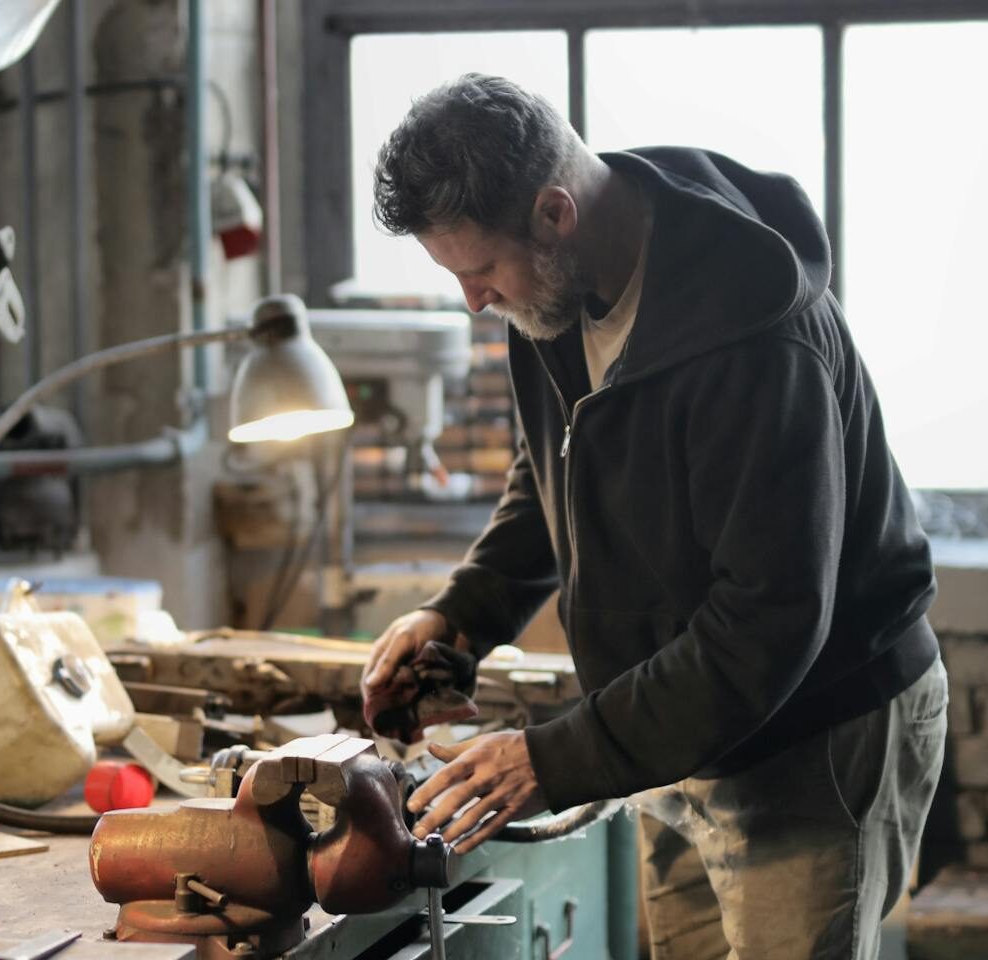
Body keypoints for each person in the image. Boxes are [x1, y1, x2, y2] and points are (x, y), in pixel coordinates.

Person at [359, 73, 948, 960]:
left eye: (479, 271)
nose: (473, 301)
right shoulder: (554, 293)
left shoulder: (754, 341)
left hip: (812, 732)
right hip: (669, 730)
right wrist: (462, 613)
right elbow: (558, 472)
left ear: (556, 213)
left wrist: (551, 760)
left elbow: (769, 622)